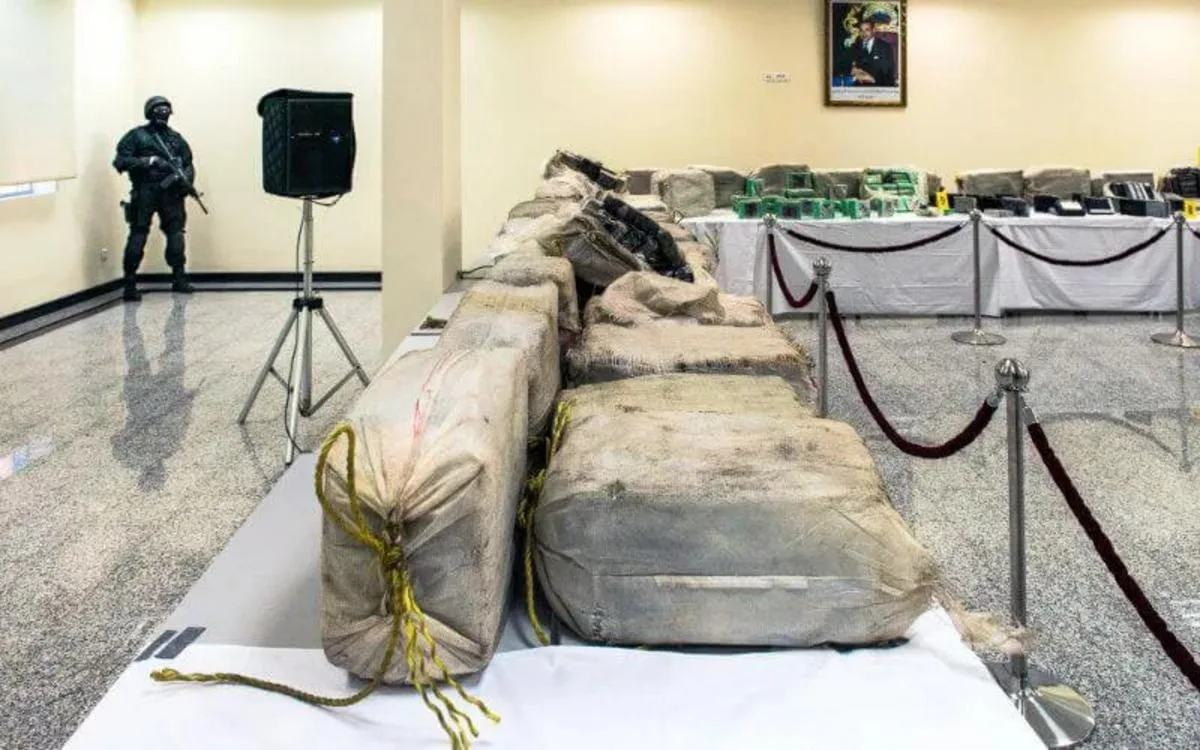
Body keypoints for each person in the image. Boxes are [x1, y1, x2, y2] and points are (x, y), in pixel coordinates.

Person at [112, 96, 196, 301]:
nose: (163, 114)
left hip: (171, 192)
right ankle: (130, 283)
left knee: (175, 234)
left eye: (165, 111)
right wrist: (149, 161)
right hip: (145, 191)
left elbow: (188, 164)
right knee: (139, 233)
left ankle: (179, 277)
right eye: (159, 111)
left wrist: (185, 182)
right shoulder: (136, 136)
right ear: (150, 113)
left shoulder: (175, 138)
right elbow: (120, 162)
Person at [849, 16, 896, 88]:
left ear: (873, 30)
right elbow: (850, 67)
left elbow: (887, 72)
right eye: (861, 30)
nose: (863, 33)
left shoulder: (884, 47)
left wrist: (872, 79)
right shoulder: (855, 46)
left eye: (867, 30)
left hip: (880, 86)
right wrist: (853, 71)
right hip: (859, 86)